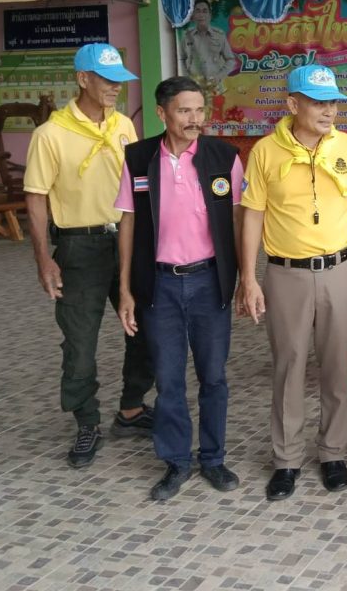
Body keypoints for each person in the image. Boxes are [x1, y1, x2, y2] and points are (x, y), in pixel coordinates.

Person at [239, 64, 347, 501]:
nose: (329, 110)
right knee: (289, 367)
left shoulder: (346, 146)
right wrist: (249, 277)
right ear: (293, 104)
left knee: (336, 366)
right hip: (286, 274)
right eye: (318, 103)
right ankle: (286, 460)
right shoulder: (265, 151)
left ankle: (333, 453)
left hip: (340, 270)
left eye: (333, 102)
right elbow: (252, 216)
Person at [23, 43, 154, 468]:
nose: (116, 87)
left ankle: (131, 408)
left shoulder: (123, 126)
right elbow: (36, 198)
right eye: (107, 80)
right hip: (79, 247)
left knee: (147, 329)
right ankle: (86, 421)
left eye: (120, 80)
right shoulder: (50, 134)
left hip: (127, 241)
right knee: (80, 344)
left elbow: (137, 188)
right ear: (83, 79)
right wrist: (44, 259)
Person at [115, 77, 244, 501]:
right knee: (169, 379)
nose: (194, 119)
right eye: (184, 110)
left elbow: (240, 221)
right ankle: (176, 461)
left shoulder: (224, 157)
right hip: (160, 286)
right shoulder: (138, 159)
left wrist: (246, 279)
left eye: (199, 110)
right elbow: (128, 222)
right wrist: (126, 289)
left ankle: (213, 458)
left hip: (209, 282)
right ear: (162, 113)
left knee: (213, 376)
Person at [180, 0, 237, 99]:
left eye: (204, 11)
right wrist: (188, 78)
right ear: (193, 15)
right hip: (194, 89)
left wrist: (219, 76)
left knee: (217, 108)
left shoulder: (219, 35)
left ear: (210, 15)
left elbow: (231, 60)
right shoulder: (187, 36)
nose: (201, 15)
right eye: (197, 11)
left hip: (215, 89)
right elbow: (181, 59)